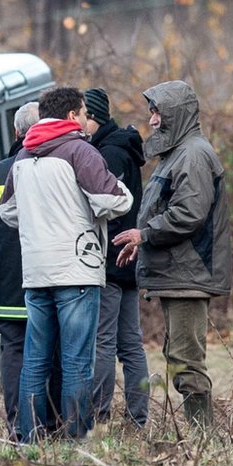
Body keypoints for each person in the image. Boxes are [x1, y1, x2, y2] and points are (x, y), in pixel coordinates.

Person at [0, 86, 133, 441]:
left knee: (35, 359)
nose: (88, 120)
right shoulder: (79, 150)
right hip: (76, 267)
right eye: (85, 113)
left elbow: (8, 211)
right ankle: (75, 437)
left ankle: (29, 436)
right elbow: (114, 200)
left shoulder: (23, 156)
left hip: (36, 272)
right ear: (73, 115)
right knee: (76, 360)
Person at [113, 80, 231, 428]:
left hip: (189, 274)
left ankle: (202, 442)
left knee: (186, 362)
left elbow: (188, 214)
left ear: (175, 114)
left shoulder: (193, 154)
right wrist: (141, 241)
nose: (151, 120)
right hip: (179, 274)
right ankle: (199, 440)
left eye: (157, 112)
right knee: (178, 357)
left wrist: (143, 234)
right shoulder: (179, 154)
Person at [0, 102, 61, 440]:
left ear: (17, 132)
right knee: (53, 351)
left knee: (15, 352)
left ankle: (20, 426)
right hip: (53, 278)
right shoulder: (61, 169)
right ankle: (52, 424)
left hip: (6, 283)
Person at [83, 88, 150, 428]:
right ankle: (139, 418)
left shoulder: (107, 154)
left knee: (104, 342)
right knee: (132, 344)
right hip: (130, 258)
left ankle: (99, 416)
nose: (81, 127)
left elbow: (106, 209)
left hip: (111, 260)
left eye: (85, 119)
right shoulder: (124, 147)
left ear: (94, 118)